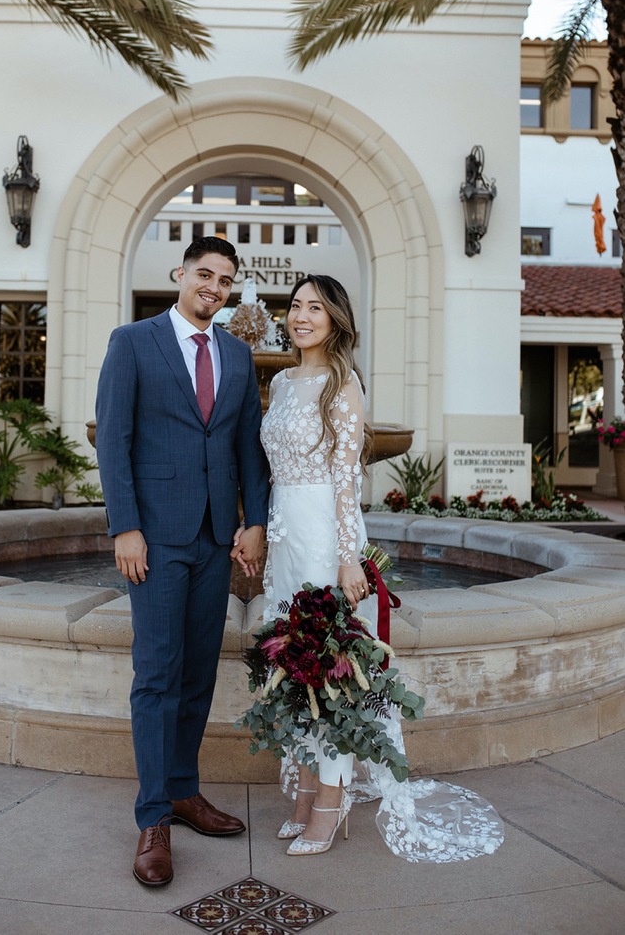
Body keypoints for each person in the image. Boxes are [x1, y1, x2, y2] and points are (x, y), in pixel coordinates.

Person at [261, 274, 504, 861]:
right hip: (284, 536)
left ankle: (330, 798)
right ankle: (302, 791)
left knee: (332, 671)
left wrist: (349, 558)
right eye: (295, 306)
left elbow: (347, 479)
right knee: (293, 667)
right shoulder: (280, 381)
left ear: (336, 320)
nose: (302, 316)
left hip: (324, 536)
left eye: (315, 308)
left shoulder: (343, 386)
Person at [95, 236, 269, 888]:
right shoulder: (133, 342)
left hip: (212, 540)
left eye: (225, 280)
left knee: (198, 672)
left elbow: (247, 446)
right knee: (157, 675)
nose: (214, 288)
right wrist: (128, 528)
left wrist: (253, 522)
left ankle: (185, 791)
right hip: (156, 541)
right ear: (181, 273)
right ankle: (152, 819)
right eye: (205, 274)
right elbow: (114, 438)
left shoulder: (236, 352)